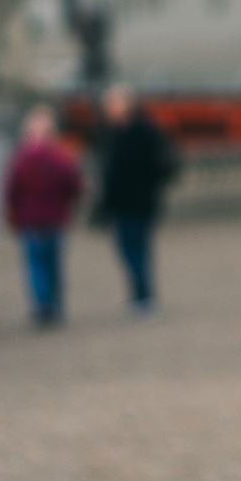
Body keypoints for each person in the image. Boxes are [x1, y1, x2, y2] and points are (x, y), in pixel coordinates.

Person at [95, 84, 179, 316]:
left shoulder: (144, 131)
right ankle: (140, 293)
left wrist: (150, 184)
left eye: (114, 104)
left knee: (138, 249)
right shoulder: (110, 133)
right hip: (120, 203)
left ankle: (144, 295)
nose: (110, 109)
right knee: (127, 250)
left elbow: (163, 164)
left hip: (140, 201)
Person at [2, 104, 85, 328]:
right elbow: (74, 186)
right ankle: (54, 306)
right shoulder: (61, 157)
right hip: (56, 218)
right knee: (54, 265)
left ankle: (43, 305)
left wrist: (13, 214)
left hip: (32, 220)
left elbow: (11, 191)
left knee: (37, 266)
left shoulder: (21, 159)